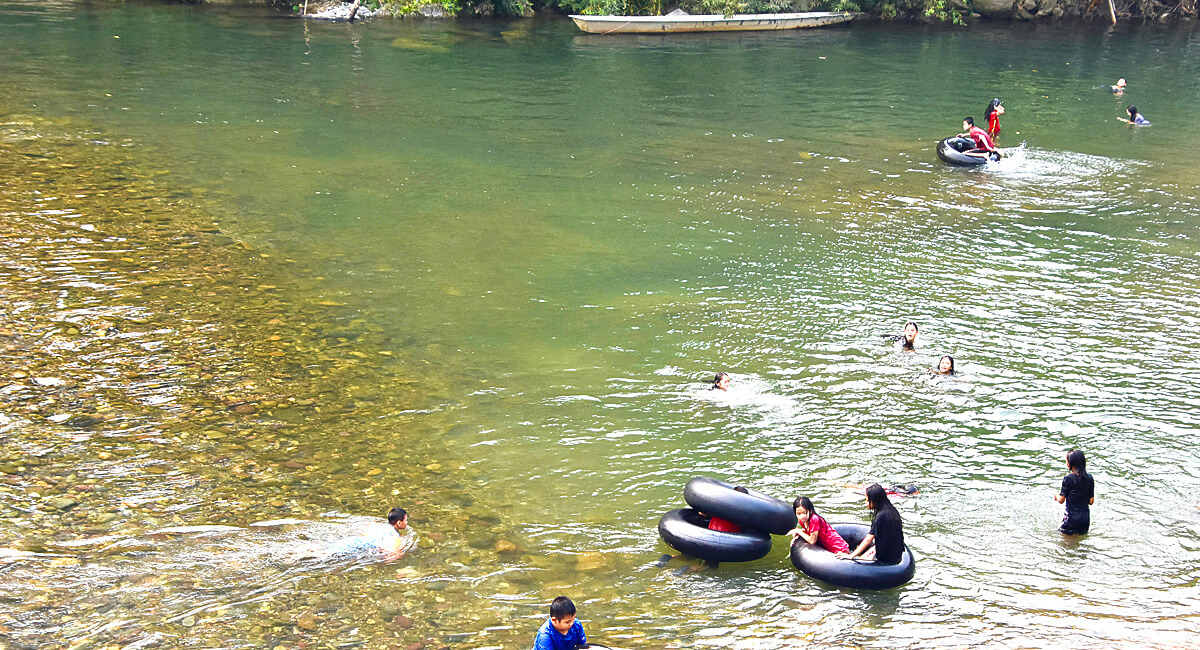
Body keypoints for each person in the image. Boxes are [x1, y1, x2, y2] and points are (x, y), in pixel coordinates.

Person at [837, 484, 905, 564]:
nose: (866, 503)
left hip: (888, 559)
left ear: (875, 501)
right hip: (896, 553)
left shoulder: (881, 516)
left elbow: (868, 539)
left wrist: (851, 556)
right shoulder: (891, 509)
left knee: (859, 560)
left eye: (867, 500)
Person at [328, 506, 412, 560]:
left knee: (324, 552)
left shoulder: (377, 526)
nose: (407, 523)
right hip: (354, 548)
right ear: (399, 523)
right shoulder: (395, 537)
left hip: (349, 541)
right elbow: (390, 556)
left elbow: (364, 531)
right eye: (406, 520)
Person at [1055, 449, 1095, 535]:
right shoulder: (1090, 478)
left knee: (1064, 543)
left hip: (1071, 519)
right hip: (1085, 520)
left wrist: (1057, 495)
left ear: (1070, 463)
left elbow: (1061, 500)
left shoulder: (1068, 478)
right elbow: (1091, 501)